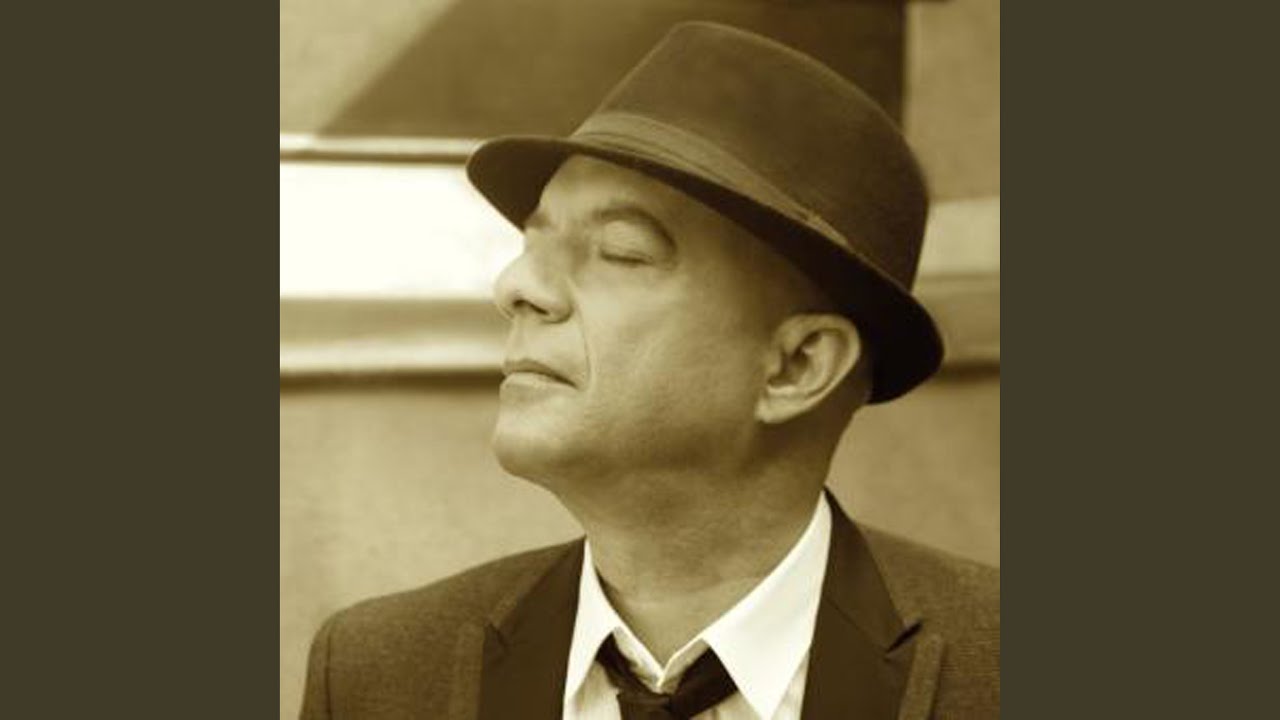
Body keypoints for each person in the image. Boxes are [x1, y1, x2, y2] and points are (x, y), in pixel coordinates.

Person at [300, 21, 998, 720]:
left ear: (797, 365)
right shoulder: (378, 676)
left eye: (621, 252)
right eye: (533, 244)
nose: (518, 286)